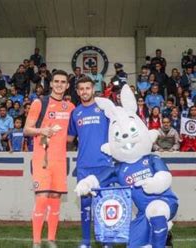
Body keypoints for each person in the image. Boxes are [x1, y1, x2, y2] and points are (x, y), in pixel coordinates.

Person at [24, 70, 75, 248]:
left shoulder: (70, 107)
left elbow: (70, 136)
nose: (60, 84)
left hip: (60, 161)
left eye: (63, 82)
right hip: (42, 159)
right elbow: (26, 130)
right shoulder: (40, 103)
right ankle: (36, 242)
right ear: (51, 84)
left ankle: (51, 240)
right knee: (42, 197)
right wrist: (42, 131)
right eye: (56, 81)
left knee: (55, 198)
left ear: (67, 85)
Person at [67, 77, 112, 248]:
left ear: (93, 89)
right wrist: (47, 131)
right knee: (85, 205)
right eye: (81, 89)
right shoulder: (76, 113)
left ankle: (106, 242)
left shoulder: (104, 108)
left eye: (88, 88)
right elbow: (69, 138)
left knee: (105, 205)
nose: (85, 91)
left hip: (105, 165)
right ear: (77, 92)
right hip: (84, 165)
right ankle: (86, 242)